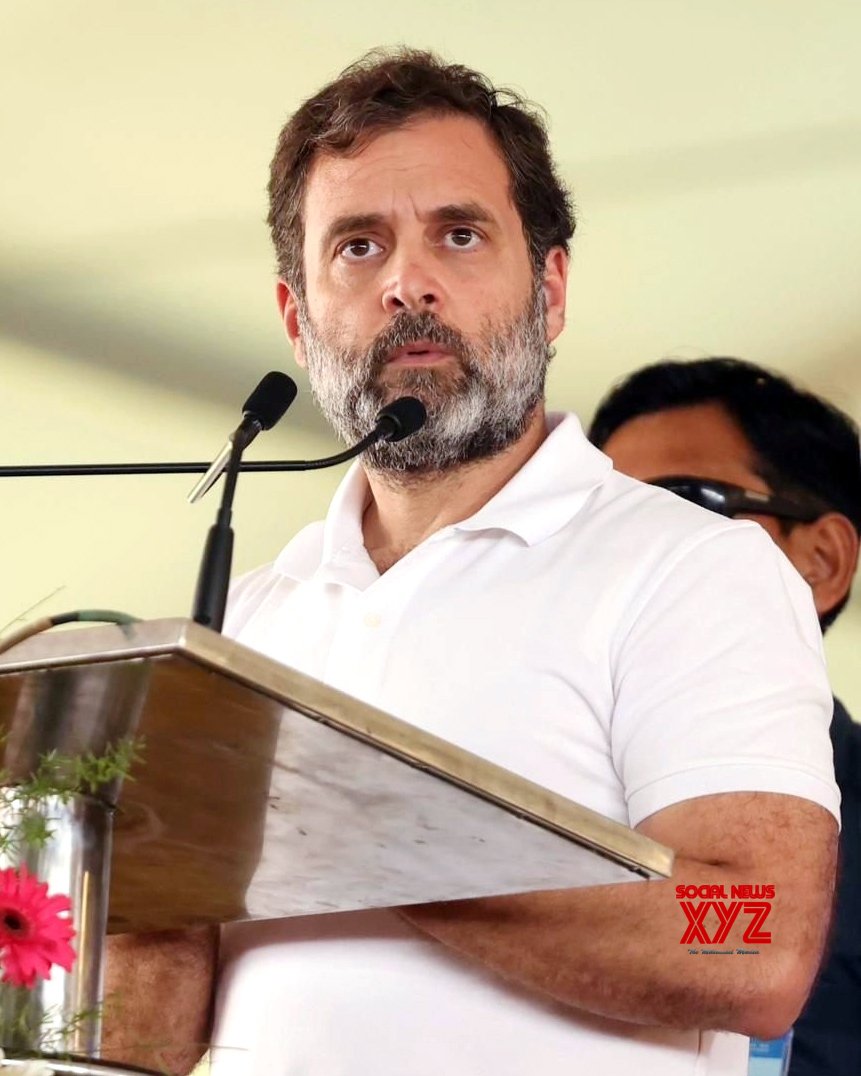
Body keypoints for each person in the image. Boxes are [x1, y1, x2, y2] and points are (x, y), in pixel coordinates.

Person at [104, 51, 838, 1076]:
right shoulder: (251, 619)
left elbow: (753, 933)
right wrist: (106, 876)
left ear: (549, 286)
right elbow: (156, 1035)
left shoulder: (691, 568)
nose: (409, 280)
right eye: (358, 246)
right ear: (296, 317)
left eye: (458, 233)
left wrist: (362, 843)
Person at [589, 356, 861, 1076]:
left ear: (821, 562)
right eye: (597, 525)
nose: (631, 561)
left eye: (681, 507)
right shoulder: (535, 781)